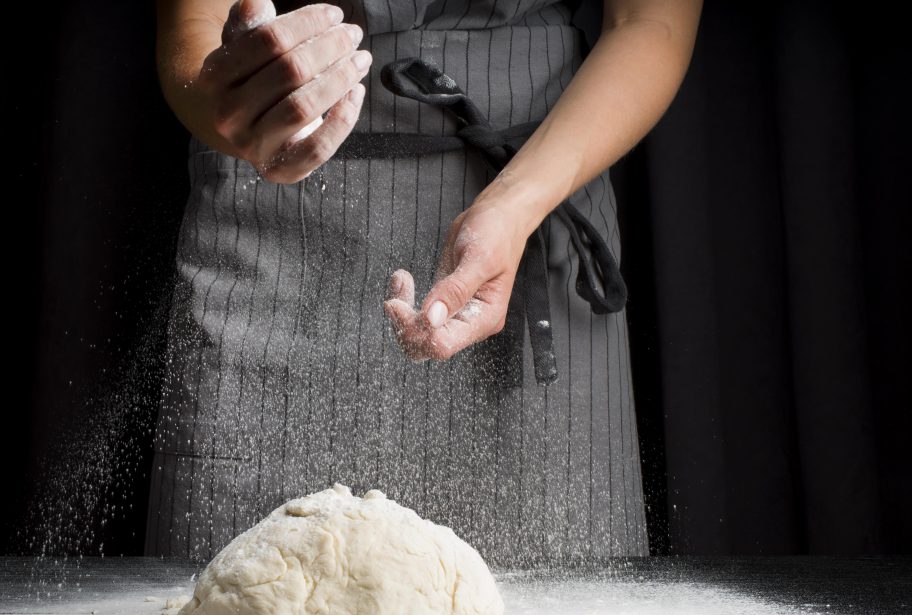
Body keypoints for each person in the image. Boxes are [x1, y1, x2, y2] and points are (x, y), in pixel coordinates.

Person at [146, 0, 701, 568]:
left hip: (539, 195)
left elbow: (650, 24)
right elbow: (198, 23)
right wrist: (226, 98)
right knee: (229, 606)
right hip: (271, 209)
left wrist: (515, 205)